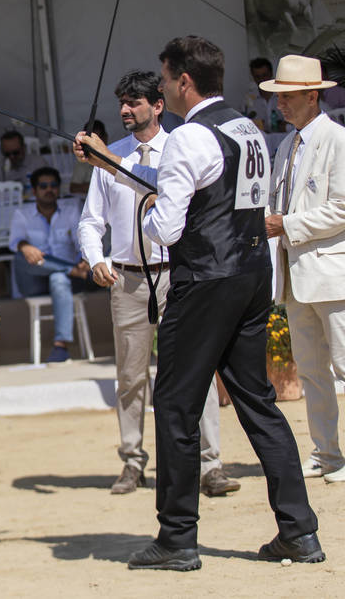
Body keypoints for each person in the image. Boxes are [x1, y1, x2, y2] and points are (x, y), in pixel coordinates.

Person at [76, 36, 321, 571]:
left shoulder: (189, 138)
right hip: (252, 273)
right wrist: (117, 167)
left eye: (164, 79)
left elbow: (165, 227)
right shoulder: (246, 127)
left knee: (176, 404)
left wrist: (143, 209)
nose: (161, 86)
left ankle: (177, 538)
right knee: (257, 401)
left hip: (205, 278)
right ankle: (299, 531)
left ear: (183, 82)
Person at [78, 70, 238, 497]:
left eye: (135, 102)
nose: (126, 111)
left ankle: (210, 465)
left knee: (194, 370)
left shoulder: (181, 149)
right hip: (128, 280)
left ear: (158, 105)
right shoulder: (108, 156)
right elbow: (90, 222)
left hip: (179, 276)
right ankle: (132, 462)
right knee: (130, 378)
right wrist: (96, 259)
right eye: (122, 103)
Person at [262, 54, 345, 483]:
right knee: (312, 371)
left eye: (289, 96)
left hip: (332, 273)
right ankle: (327, 454)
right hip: (295, 274)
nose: (281, 104)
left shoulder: (337, 139)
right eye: (279, 97)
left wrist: (285, 224)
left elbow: (343, 209)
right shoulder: (286, 146)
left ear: (313, 95)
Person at [10, 166, 91, 363]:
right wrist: (25, 246)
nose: (49, 189)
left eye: (53, 185)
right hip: (34, 281)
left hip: (70, 281)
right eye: (43, 186)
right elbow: (15, 243)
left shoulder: (70, 211)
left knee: (58, 278)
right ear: (34, 190)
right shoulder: (22, 213)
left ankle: (60, 346)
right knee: (20, 256)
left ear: (59, 188)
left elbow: (83, 243)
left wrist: (84, 260)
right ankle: (69, 270)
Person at [0, 130, 48, 198]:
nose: (11, 157)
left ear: (24, 148)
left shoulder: (38, 163)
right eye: (7, 154)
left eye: (16, 152)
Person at [242, 57, 282, 132]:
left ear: (271, 74)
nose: (262, 80)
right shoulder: (249, 98)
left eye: (264, 75)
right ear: (253, 77)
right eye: (257, 77)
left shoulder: (283, 95)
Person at [69, 121, 107, 195]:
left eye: (99, 139)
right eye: (92, 140)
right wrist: (98, 185)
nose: (95, 144)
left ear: (105, 138)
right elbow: (73, 188)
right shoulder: (83, 161)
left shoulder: (115, 156)